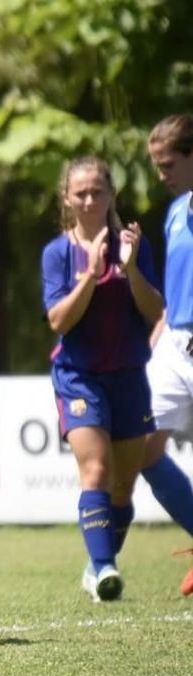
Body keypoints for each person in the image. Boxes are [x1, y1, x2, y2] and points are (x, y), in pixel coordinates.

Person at [40, 156, 164, 602]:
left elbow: (155, 312)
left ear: (111, 194)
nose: (90, 199)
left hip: (129, 374)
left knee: (123, 485)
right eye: (81, 193)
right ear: (67, 199)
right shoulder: (58, 253)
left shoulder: (134, 245)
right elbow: (59, 320)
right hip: (79, 377)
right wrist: (91, 275)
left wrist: (130, 270)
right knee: (95, 469)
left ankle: (96, 565)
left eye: (98, 191)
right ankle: (107, 567)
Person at [143, 115, 193, 597]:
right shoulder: (177, 211)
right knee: (142, 446)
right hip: (175, 345)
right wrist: (161, 325)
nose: (161, 174)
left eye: (168, 163)